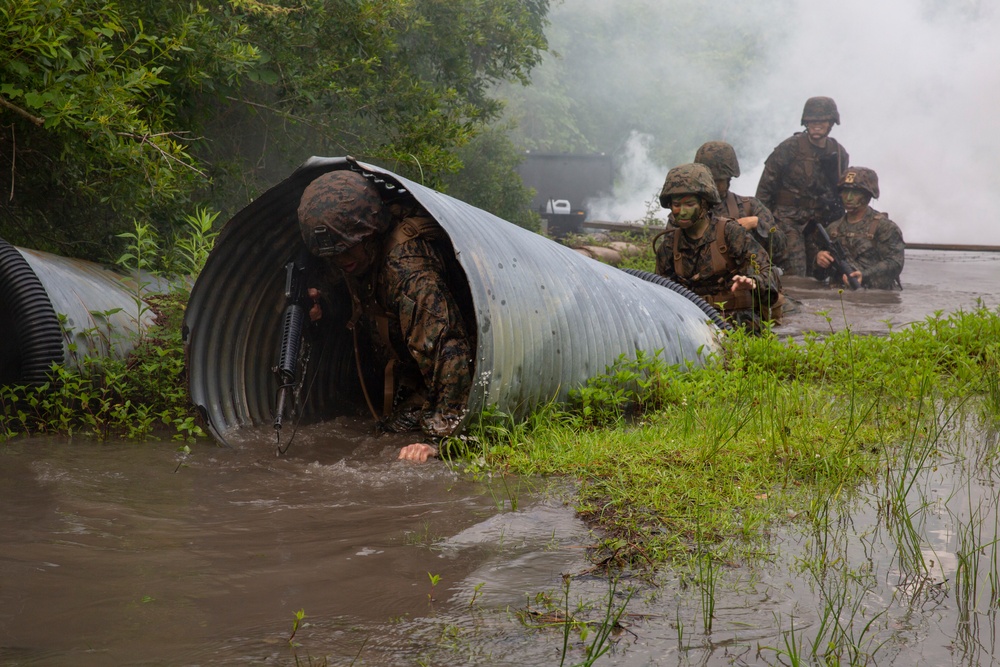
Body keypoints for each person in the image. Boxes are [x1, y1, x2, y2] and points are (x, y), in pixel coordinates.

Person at [297, 169, 475, 462]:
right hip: (412, 377)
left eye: (346, 250)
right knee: (382, 436)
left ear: (371, 233)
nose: (341, 261)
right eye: (333, 254)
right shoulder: (353, 255)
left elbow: (449, 347)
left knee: (396, 447)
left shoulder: (407, 269)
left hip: (456, 376)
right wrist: (322, 304)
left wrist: (441, 438)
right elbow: (345, 291)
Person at [653, 163, 784, 331]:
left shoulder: (730, 233)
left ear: (704, 204)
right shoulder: (670, 245)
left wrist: (753, 282)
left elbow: (768, 271)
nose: (682, 212)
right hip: (692, 325)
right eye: (676, 205)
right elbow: (659, 294)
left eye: (689, 204)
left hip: (739, 324)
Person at [755, 96, 849, 276]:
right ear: (805, 122)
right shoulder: (789, 147)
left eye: (822, 121)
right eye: (812, 121)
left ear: (831, 123)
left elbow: (841, 193)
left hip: (819, 224)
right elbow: (765, 188)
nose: (816, 125)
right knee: (795, 273)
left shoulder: (838, 153)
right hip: (787, 220)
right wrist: (764, 225)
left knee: (823, 272)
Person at [694, 140, 788, 271]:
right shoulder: (686, 210)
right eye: (708, 180)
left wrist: (756, 223)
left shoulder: (749, 206)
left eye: (718, 181)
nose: (712, 186)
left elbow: (780, 244)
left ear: (729, 179)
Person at [812, 166, 904, 290]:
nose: (848, 198)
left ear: (868, 195)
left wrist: (864, 276)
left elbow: (895, 264)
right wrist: (819, 261)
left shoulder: (885, 227)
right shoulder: (833, 229)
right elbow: (819, 276)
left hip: (875, 298)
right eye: (845, 192)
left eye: (855, 193)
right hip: (838, 297)